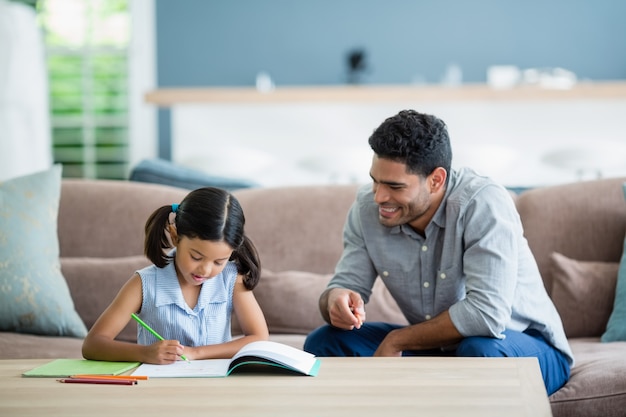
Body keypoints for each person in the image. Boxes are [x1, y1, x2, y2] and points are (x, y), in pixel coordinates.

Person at [303, 109, 573, 395]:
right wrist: (336, 300)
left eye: (395, 186)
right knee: (324, 342)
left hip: (523, 343)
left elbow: (486, 315)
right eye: (375, 181)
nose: (380, 196)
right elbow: (346, 283)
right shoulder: (366, 208)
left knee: (478, 352)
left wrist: (397, 341)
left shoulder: (482, 203)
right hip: (439, 348)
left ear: (436, 180)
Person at [82, 187, 269, 364]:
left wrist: (196, 353)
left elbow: (259, 337)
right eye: (196, 257)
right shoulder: (144, 284)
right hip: (159, 389)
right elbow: (93, 344)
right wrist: (145, 353)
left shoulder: (231, 278)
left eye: (218, 262)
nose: (205, 270)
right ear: (175, 236)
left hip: (214, 389)